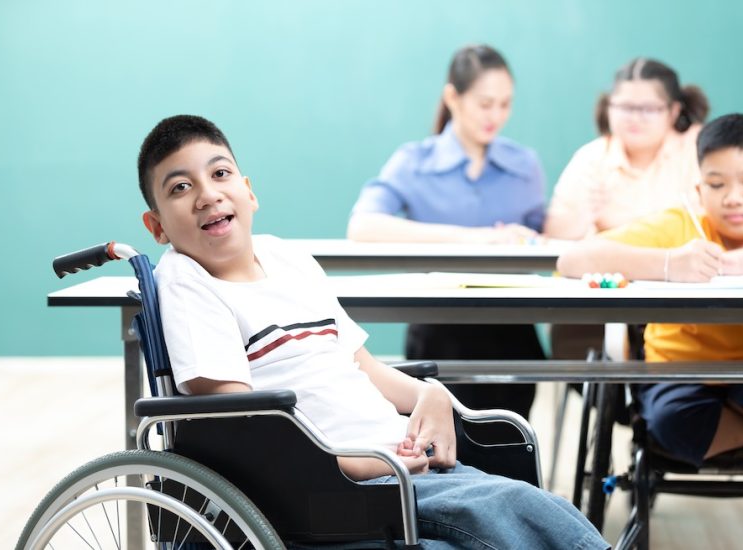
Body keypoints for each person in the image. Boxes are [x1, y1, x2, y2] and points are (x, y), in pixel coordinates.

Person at [137, 114, 609, 549]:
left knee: (530, 506)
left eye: (220, 174)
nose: (207, 194)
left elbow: (362, 366)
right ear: (157, 226)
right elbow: (236, 422)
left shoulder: (287, 258)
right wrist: (353, 464)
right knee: (514, 509)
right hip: (331, 488)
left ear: (249, 190)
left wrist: (431, 394)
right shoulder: (186, 279)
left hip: (397, 466)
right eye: (180, 187)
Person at [557, 113, 743, 467]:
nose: (734, 198)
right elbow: (572, 259)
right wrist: (669, 263)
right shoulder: (680, 227)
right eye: (717, 185)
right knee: (672, 418)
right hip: (682, 371)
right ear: (700, 191)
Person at [347, 45, 545, 429]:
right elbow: (363, 225)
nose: (497, 116)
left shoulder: (524, 165)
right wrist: (475, 239)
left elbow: (548, 235)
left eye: (505, 104)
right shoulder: (414, 161)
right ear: (452, 97)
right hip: (439, 328)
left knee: (512, 439)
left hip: (513, 329)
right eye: (485, 103)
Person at [545, 57, 709, 241]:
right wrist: (582, 217)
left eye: (648, 109)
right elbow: (554, 234)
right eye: (624, 107)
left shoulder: (698, 148)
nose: (634, 118)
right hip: (609, 266)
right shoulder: (591, 158)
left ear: (673, 111)